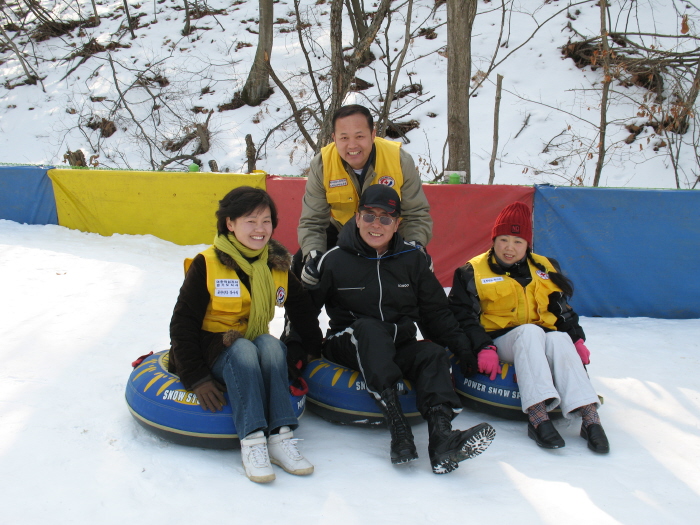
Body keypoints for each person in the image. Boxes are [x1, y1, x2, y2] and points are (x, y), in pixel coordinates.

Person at [305, 184, 495, 474]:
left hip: (397, 343)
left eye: (385, 218)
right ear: (357, 218)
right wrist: (298, 353)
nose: (376, 225)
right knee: (370, 329)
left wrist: (462, 348)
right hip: (348, 341)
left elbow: (435, 312)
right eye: (369, 216)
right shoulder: (334, 260)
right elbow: (306, 313)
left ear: (397, 224)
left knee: (431, 353)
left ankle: (442, 439)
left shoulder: (413, 260)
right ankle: (399, 429)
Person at [168, 186, 323, 483]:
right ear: (230, 223)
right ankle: (252, 441)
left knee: (271, 346)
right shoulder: (208, 263)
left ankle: (280, 437)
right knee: (243, 350)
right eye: (250, 221)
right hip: (209, 347)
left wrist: (314, 349)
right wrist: (196, 377)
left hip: (251, 341)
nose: (260, 229)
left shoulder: (275, 263)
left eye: (266, 221)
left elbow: (302, 311)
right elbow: (182, 324)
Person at [448, 202, 610, 454]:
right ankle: (537, 415)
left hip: (540, 340)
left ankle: (589, 417)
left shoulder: (545, 267)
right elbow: (462, 316)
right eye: (503, 239)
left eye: (517, 241)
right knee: (530, 332)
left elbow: (561, 310)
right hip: (499, 343)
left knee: (558, 339)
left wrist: (576, 340)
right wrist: (483, 346)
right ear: (494, 239)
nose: (509, 248)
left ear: (528, 244)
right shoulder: (472, 271)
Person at [296, 103, 433, 284]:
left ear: (373, 134)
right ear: (334, 138)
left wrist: (416, 247)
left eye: (359, 136)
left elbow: (416, 215)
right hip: (342, 233)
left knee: (418, 268)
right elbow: (312, 221)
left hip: (387, 235)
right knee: (303, 268)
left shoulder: (399, 160)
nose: (352, 145)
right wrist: (313, 254)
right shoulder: (322, 164)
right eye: (344, 137)